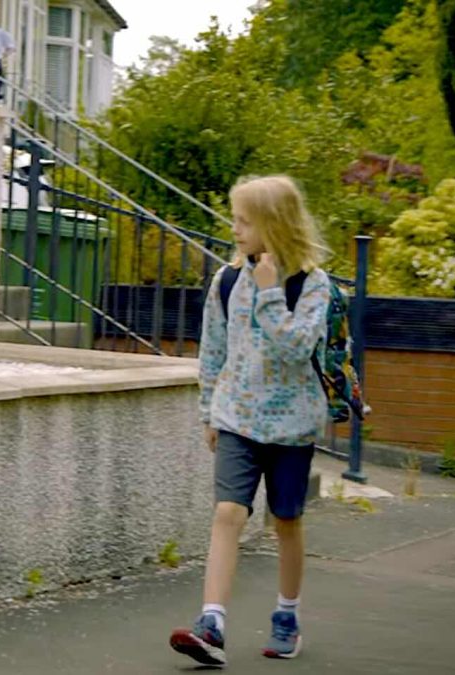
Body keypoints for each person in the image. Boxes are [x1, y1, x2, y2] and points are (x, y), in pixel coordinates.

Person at [169, 175, 332, 666]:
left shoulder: (312, 284)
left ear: (274, 224)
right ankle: (211, 623)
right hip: (237, 418)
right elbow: (214, 353)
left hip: (293, 426)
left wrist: (268, 293)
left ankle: (287, 615)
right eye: (235, 219)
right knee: (227, 513)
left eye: (245, 221)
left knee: (286, 520)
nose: (235, 229)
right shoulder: (226, 280)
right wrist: (208, 413)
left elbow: (298, 347)